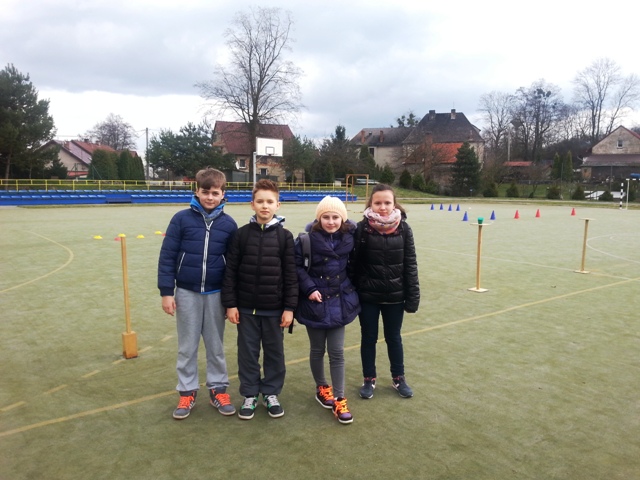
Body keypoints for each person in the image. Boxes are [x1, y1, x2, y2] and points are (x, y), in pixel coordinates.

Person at [158, 167, 238, 420]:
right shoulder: (181, 219)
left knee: (215, 346)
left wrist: (230, 299)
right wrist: (166, 292)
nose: (210, 197)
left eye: (215, 193)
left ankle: (218, 389)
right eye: (206, 192)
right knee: (187, 346)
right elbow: (167, 256)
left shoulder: (228, 224)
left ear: (223, 194)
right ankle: (187, 391)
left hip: (216, 294)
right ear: (197, 191)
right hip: (186, 292)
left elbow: (233, 266)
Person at [221, 179, 298, 420]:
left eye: (270, 202)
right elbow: (230, 272)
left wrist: (289, 308)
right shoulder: (241, 235)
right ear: (252, 204)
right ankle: (250, 394)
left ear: (278, 205)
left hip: (274, 310)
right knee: (247, 354)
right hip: (246, 310)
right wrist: (231, 304)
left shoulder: (285, 237)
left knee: (274, 354)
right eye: (260, 201)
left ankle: (271, 393)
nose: (265, 206)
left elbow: (291, 275)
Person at [294, 196, 360, 424]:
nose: (331, 221)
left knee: (337, 352)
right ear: (318, 218)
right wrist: (310, 288)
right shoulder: (306, 241)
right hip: (315, 303)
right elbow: (296, 268)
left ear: (343, 219)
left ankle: (340, 398)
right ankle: (322, 387)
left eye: (335, 217)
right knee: (317, 349)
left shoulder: (350, 239)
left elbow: (355, 267)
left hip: (340, 303)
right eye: (326, 217)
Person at [351, 183, 420, 399]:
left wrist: (413, 297)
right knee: (368, 338)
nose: (382, 207)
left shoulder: (404, 229)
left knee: (394, 338)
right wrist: (354, 292)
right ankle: (369, 379)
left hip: (395, 297)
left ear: (394, 204)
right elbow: (353, 264)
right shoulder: (362, 229)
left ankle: (398, 378)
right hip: (368, 297)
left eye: (387, 203)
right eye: (378, 203)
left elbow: (410, 264)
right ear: (370, 204)